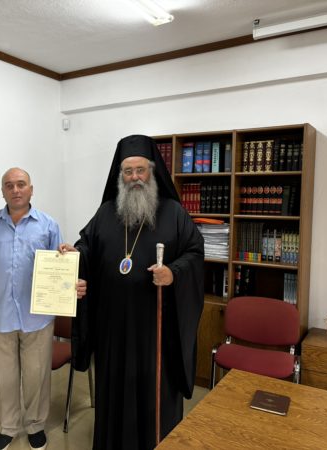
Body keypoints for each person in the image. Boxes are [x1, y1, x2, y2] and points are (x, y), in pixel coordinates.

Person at [60, 135, 204, 450]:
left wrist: (173, 273)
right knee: (114, 389)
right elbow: (87, 247)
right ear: (120, 175)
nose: (135, 177)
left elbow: (194, 253)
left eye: (140, 170)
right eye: (128, 171)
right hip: (112, 328)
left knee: (154, 394)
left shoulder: (174, 213)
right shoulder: (106, 212)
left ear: (152, 171)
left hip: (156, 329)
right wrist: (74, 257)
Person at [0, 168, 65, 450]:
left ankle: (35, 425)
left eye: (21, 184)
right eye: (9, 185)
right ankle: (8, 428)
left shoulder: (48, 225)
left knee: (36, 376)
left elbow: (60, 267)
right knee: (5, 377)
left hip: (38, 316)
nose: (16, 190)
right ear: (3, 192)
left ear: (31, 189)